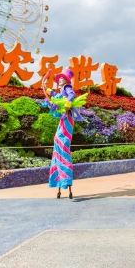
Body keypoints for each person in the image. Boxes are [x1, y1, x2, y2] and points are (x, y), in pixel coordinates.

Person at [44, 69, 87, 200]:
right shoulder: (59, 93)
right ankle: (60, 176)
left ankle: (65, 174)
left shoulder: (67, 88)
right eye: (59, 78)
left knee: (62, 143)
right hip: (63, 120)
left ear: (67, 80)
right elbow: (54, 99)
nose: (60, 80)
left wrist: (68, 102)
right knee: (57, 141)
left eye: (62, 78)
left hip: (67, 119)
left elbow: (72, 95)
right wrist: (48, 93)